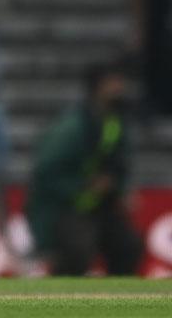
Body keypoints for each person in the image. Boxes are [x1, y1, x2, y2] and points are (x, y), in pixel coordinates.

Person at [25, 63, 143, 276]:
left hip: (98, 208)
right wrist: (83, 187)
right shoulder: (71, 128)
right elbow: (45, 172)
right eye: (115, 82)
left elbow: (119, 166)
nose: (121, 88)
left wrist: (118, 189)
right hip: (63, 209)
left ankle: (117, 298)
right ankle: (59, 294)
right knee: (79, 249)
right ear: (98, 87)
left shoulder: (115, 123)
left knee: (129, 245)